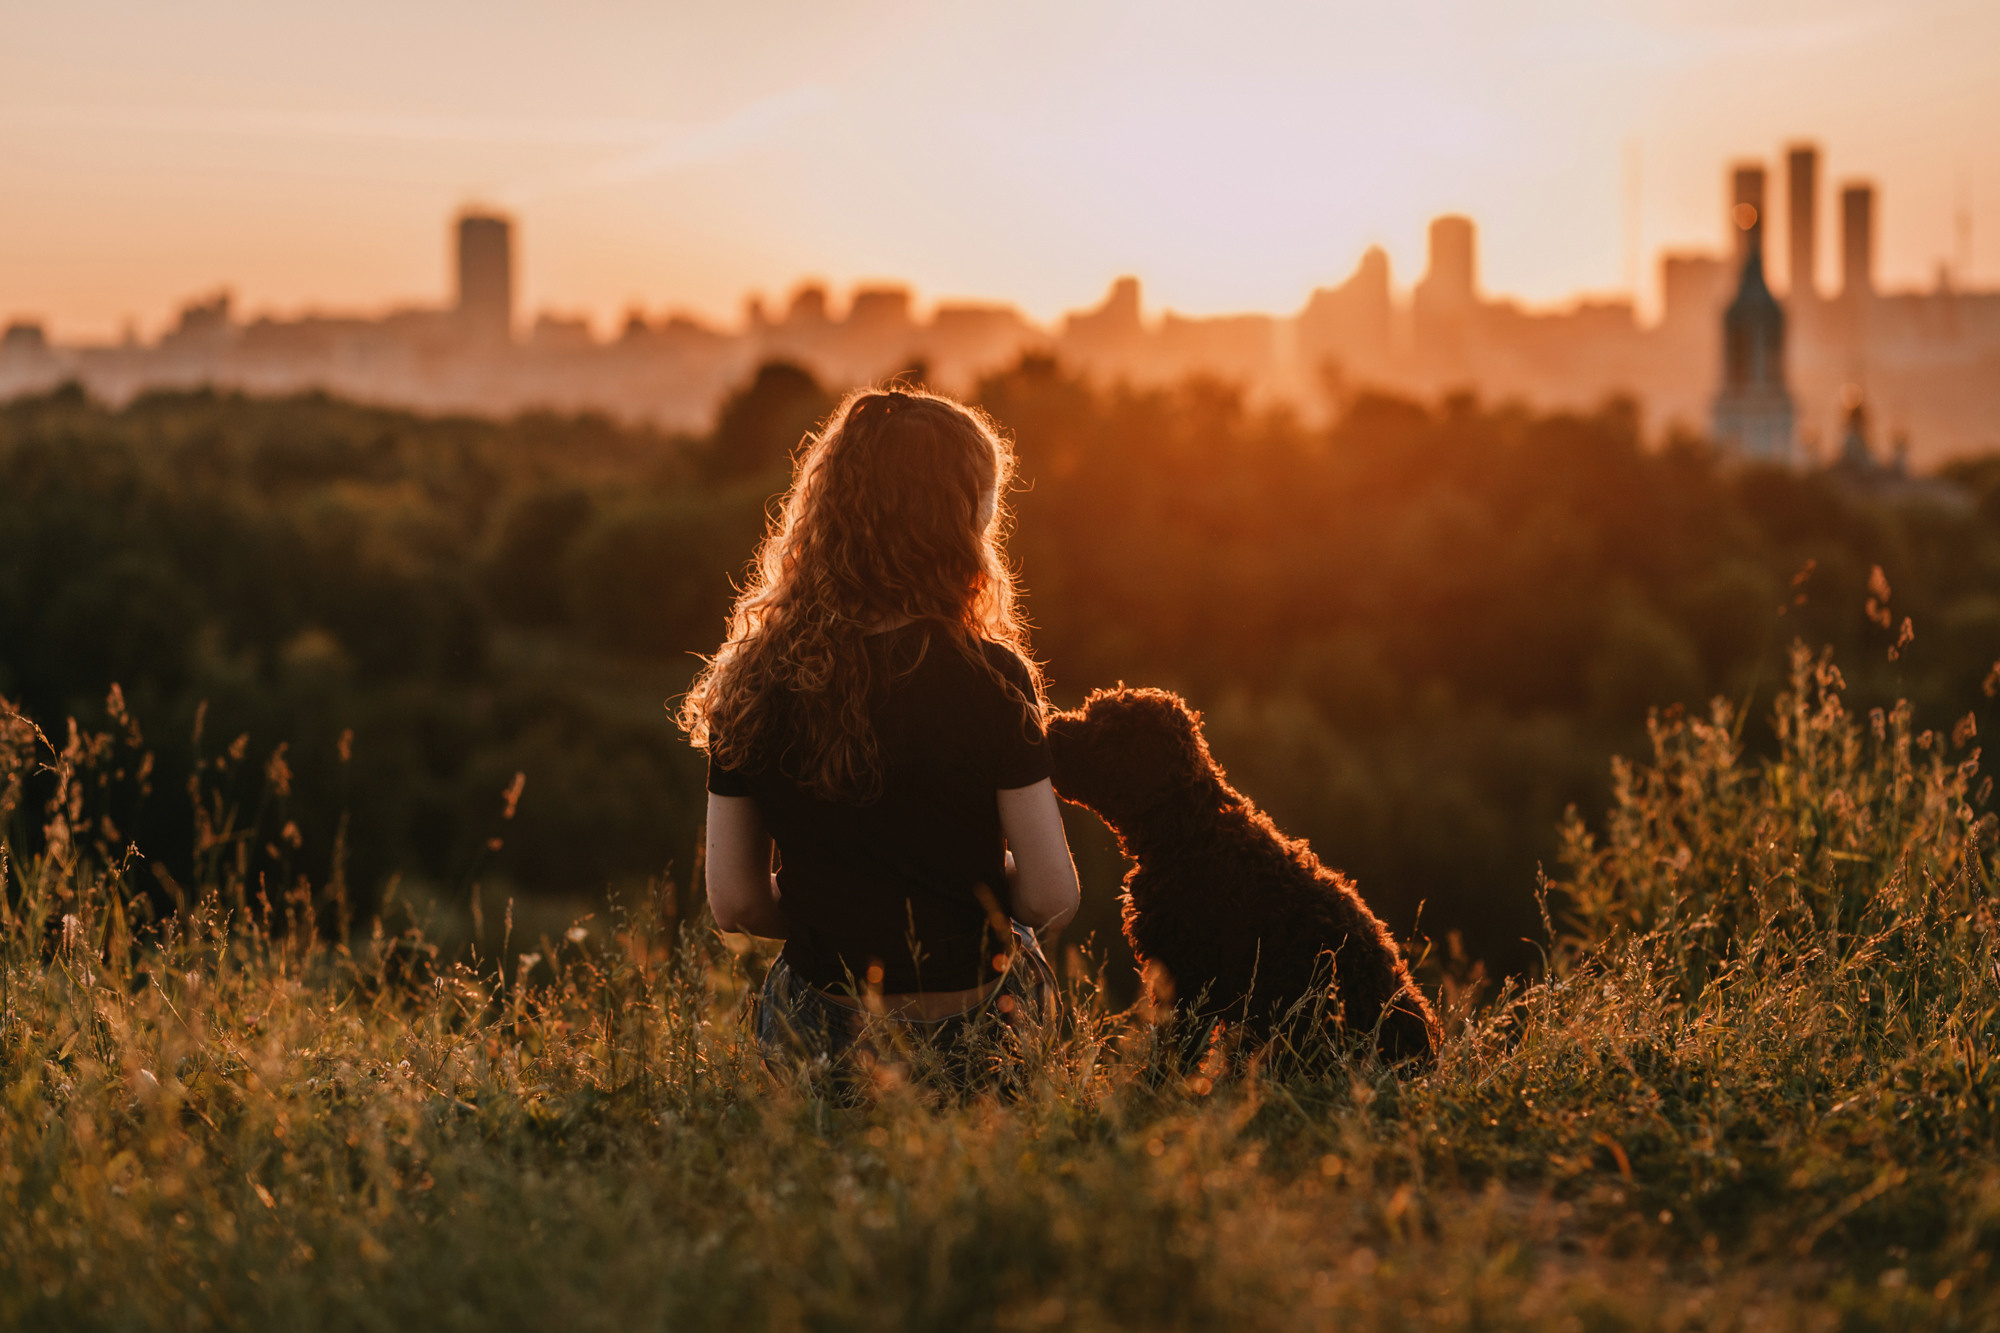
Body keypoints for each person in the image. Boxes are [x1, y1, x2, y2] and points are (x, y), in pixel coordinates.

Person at [678, 386, 1080, 1094]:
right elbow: (1050, 895)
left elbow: (735, 902)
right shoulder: (992, 675)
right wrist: (969, 899)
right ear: (957, 518)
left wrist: (830, 909)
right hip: (974, 1025)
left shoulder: (755, 675)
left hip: (822, 1027)